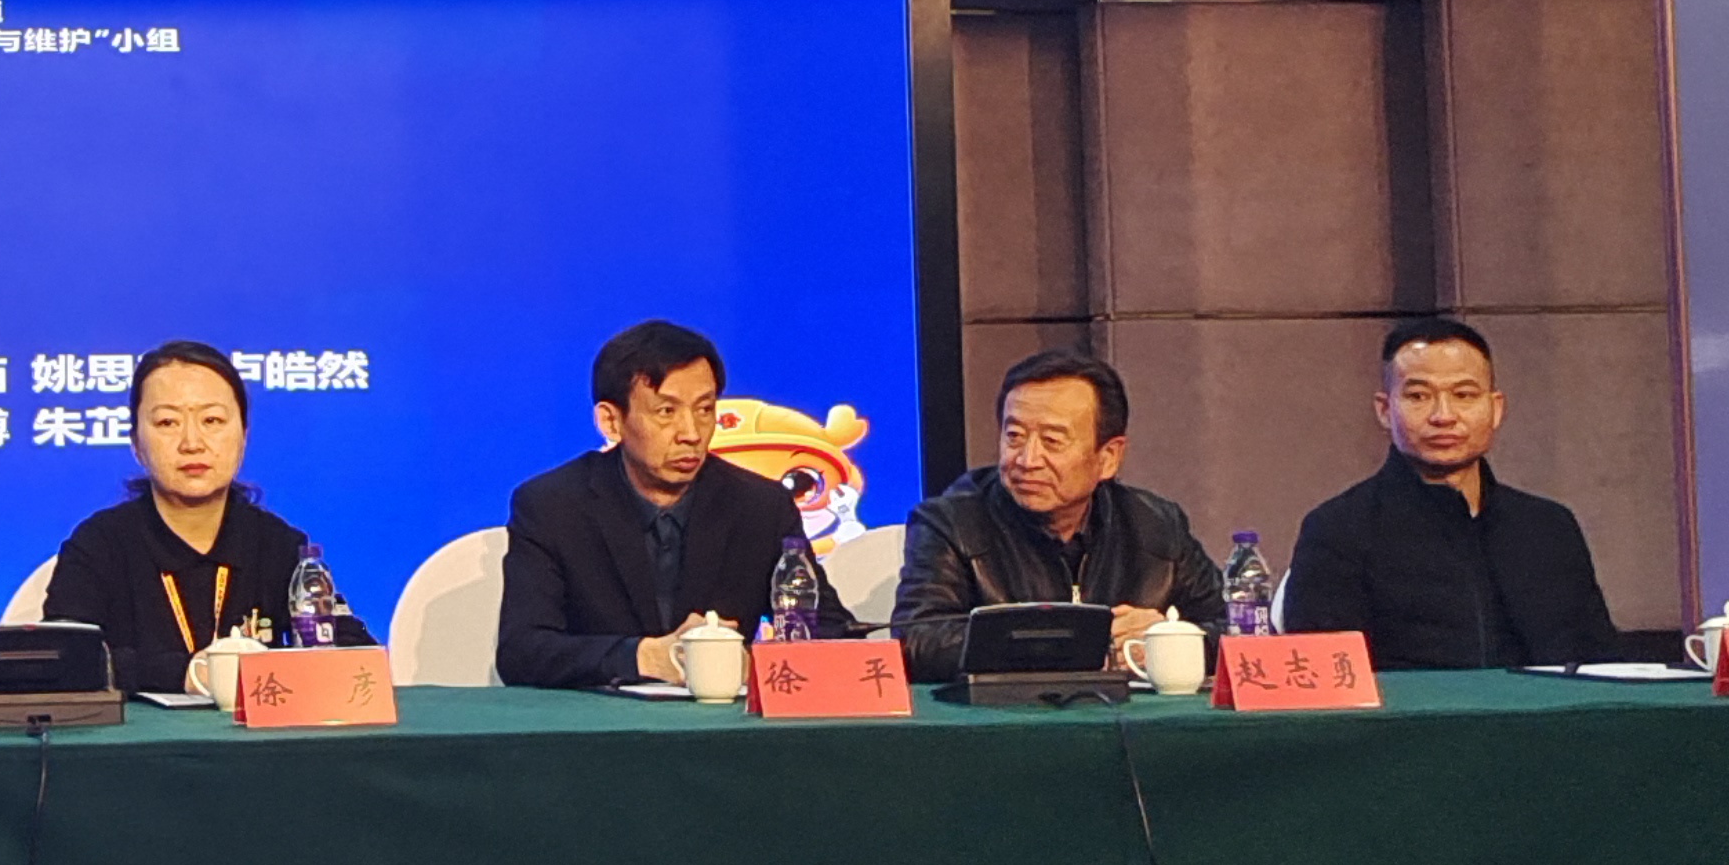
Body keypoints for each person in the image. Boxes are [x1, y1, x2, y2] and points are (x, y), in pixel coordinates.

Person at [497, 320, 855, 690]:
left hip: (721, 719)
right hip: (596, 718)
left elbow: (831, 631)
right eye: (666, 412)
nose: (691, 434)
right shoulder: (553, 506)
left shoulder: (761, 506)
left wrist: (755, 664)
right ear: (611, 421)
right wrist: (644, 657)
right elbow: (522, 651)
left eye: (704, 409)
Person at [1283, 317, 1626, 668]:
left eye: (1464, 395)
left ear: (1495, 409)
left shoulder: (1548, 527)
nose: (1443, 416)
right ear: (1385, 410)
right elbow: (1324, 677)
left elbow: (1600, 663)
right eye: (1419, 396)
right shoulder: (1339, 530)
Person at [42, 341, 374, 696]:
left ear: (243, 436)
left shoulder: (278, 545)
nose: (192, 442)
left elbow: (352, 651)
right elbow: (65, 659)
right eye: (167, 422)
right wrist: (186, 674)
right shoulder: (98, 546)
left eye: (212, 420)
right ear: (136, 444)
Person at [894, 350, 1222, 681]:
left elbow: (1233, 630)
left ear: (1108, 457)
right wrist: (1078, 646)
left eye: (1052, 441)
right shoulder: (951, 524)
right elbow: (919, 642)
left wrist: (1171, 639)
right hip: (1007, 712)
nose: (1027, 460)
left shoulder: (1156, 526)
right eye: (1014, 436)